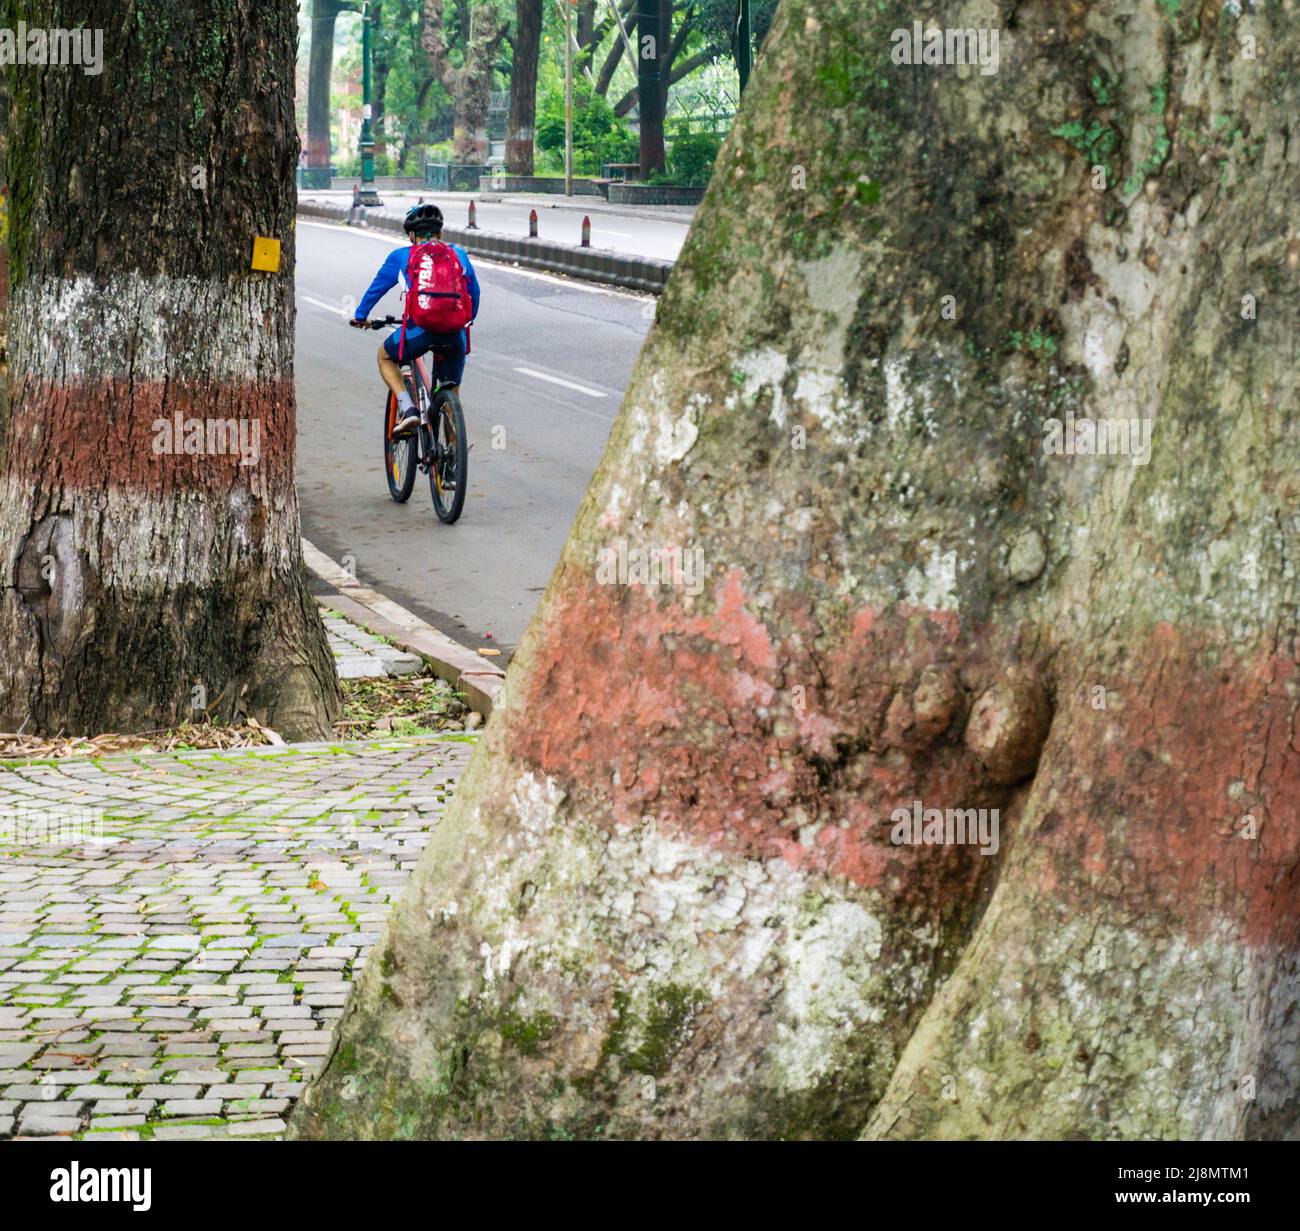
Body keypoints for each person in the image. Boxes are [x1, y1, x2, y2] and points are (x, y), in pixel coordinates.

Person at [350, 203, 480, 434]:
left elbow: (375, 289)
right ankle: (453, 461)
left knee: (385, 356)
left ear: (412, 234)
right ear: (441, 232)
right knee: (451, 391)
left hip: (419, 332)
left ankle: (408, 408)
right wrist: (465, 321)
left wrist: (361, 316)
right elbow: (474, 293)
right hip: (455, 335)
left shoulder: (402, 256)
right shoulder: (458, 254)